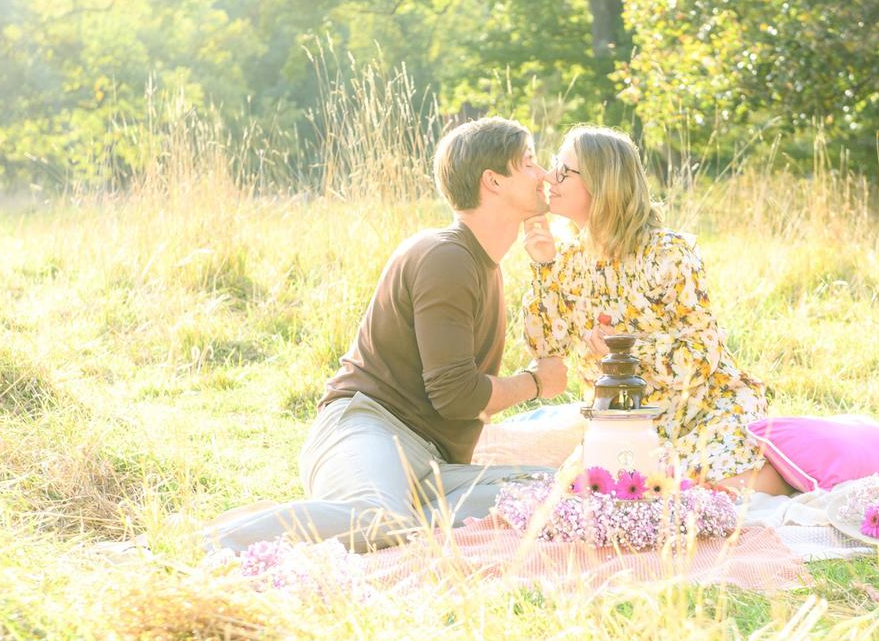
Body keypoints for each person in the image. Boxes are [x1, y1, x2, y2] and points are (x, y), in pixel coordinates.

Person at [208, 117, 568, 553]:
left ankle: (340, 519)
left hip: (432, 461)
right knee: (382, 521)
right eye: (529, 163)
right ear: (493, 181)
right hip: (368, 428)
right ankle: (208, 543)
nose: (544, 175)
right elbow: (455, 395)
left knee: (552, 488)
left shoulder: (483, 264)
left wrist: (546, 264)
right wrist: (534, 384)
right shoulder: (446, 257)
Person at [522, 125, 791, 494]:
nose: (550, 177)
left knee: (708, 491)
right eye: (555, 165)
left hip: (702, 406)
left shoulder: (668, 254)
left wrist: (625, 352)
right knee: (592, 495)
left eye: (565, 170)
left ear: (603, 184)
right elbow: (545, 347)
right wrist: (543, 267)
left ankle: (790, 469)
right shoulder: (566, 259)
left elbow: (702, 354)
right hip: (623, 420)